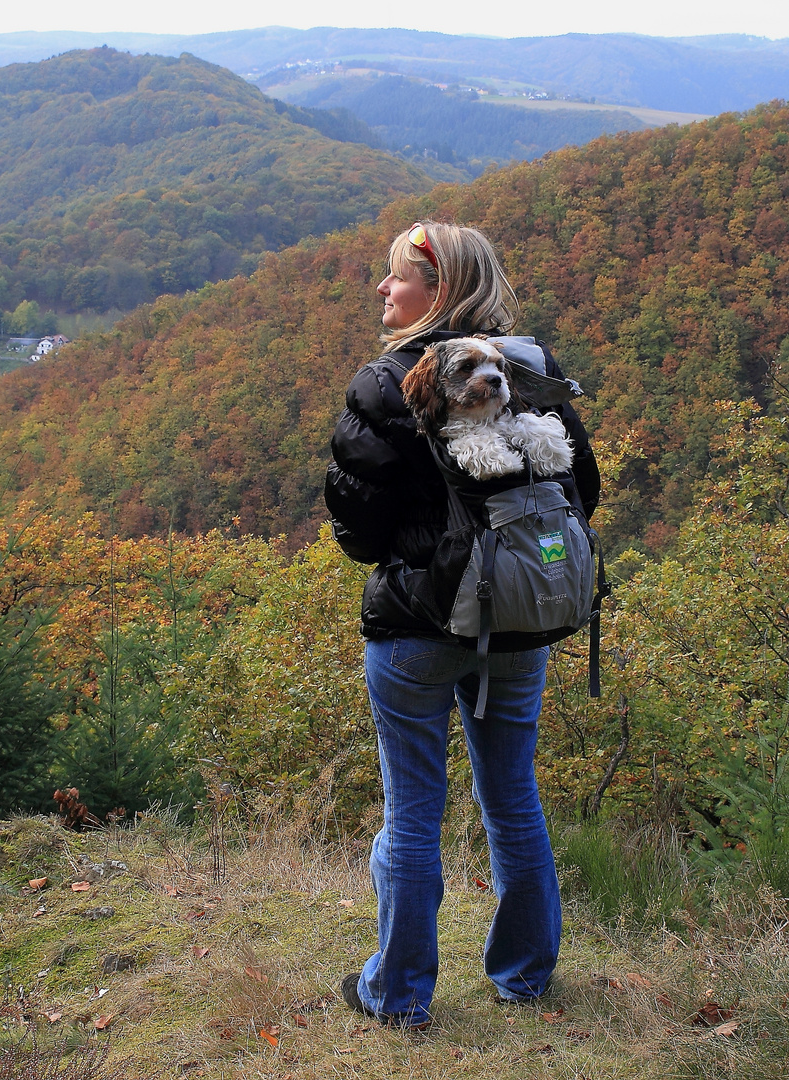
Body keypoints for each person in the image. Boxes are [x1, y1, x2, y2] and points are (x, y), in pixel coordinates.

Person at [325, 220, 600, 1028]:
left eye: (395, 277)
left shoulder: (389, 381)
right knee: (512, 799)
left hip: (419, 627)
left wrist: (420, 549)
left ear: (437, 289)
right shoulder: (528, 366)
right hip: (517, 622)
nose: (382, 289)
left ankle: (399, 996)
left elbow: (358, 530)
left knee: (413, 809)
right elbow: (582, 491)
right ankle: (525, 977)